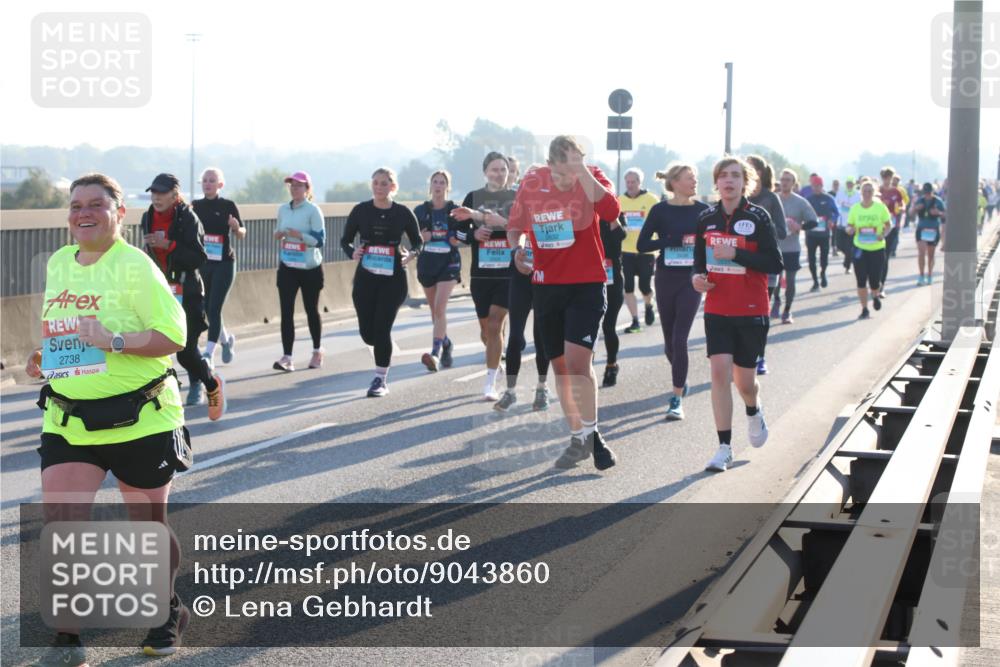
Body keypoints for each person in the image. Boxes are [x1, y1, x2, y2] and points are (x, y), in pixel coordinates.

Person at [27, 173, 191, 664]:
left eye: (96, 204)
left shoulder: (136, 267)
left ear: (119, 212)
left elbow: (173, 337)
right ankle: (68, 637)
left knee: (147, 527)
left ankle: (166, 610)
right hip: (69, 419)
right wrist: (45, 357)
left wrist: (115, 341)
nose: (83, 213)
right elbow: (67, 333)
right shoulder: (59, 262)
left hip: (140, 419)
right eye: (76, 205)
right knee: (62, 521)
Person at [508, 135, 620, 471]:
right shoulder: (531, 182)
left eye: (576, 164)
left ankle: (593, 434)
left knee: (577, 362)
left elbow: (612, 211)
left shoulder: (594, 176)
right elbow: (515, 227)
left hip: (586, 284)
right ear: (550, 164)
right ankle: (579, 437)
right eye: (563, 168)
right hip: (546, 286)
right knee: (560, 368)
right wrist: (518, 251)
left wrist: (582, 172)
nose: (568, 176)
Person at [692, 157, 782, 473]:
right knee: (719, 374)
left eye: (735, 176)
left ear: (746, 182)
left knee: (744, 382)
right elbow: (698, 263)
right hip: (717, 308)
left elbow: (775, 263)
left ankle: (753, 410)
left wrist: (737, 254)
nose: (728, 181)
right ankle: (724, 448)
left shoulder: (758, 217)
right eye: (723, 176)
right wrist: (697, 279)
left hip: (752, 309)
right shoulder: (705, 219)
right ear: (716, 182)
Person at [141, 173, 226, 419]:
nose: (156, 197)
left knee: (186, 351)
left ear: (175, 196)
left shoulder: (188, 218)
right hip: (160, 290)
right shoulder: (148, 216)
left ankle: (212, 385)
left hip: (186, 290)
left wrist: (169, 245)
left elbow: (199, 257)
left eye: (162, 193)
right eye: (153, 192)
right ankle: (166, 395)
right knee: (153, 346)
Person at [637, 163, 709, 420]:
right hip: (666, 278)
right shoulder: (660, 210)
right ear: (675, 182)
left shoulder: (704, 211)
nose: (695, 182)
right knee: (669, 345)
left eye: (695, 178)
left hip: (692, 279)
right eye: (690, 178)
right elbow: (642, 243)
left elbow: (712, 243)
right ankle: (681, 376)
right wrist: (669, 241)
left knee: (680, 340)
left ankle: (676, 398)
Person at [342, 167, 422, 397]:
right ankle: (383, 345)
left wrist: (412, 254)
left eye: (384, 183)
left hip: (394, 278)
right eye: (376, 183)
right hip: (366, 277)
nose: (379, 187)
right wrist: (352, 252)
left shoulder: (403, 213)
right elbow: (345, 240)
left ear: (393, 187)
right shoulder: (361, 211)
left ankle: (380, 379)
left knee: (381, 328)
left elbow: (418, 242)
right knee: (368, 334)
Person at [453, 152, 515, 401]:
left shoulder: (515, 198)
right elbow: (455, 232)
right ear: (485, 172)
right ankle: (496, 360)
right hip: (481, 273)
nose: (499, 174)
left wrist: (505, 223)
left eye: (503, 169)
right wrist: (472, 236)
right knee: (486, 332)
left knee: (494, 324)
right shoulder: (473, 198)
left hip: (508, 272)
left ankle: (490, 382)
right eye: (494, 169)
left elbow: (526, 227)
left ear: (508, 172)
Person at [272, 171, 326, 372]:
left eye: (299, 186)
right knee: (286, 312)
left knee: (311, 310)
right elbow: (279, 230)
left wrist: (300, 236)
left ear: (307, 189)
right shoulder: (283, 209)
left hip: (310, 267)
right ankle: (287, 357)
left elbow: (320, 240)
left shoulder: (313, 210)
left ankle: (317, 351)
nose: (295, 189)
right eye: (292, 185)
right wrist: (278, 235)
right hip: (288, 265)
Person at [191, 167, 244, 368]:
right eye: (205, 180)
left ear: (220, 185)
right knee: (207, 308)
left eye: (212, 180)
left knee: (214, 308)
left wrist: (236, 227)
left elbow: (242, 233)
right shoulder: (195, 206)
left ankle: (208, 353)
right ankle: (225, 340)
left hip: (224, 262)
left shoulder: (228, 205)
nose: (208, 184)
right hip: (204, 263)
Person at [414, 170, 460, 371]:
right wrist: (419, 238)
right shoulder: (420, 211)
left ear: (447, 187)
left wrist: (456, 238)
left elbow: (464, 234)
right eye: (435, 182)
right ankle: (447, 343)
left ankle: (435, 353)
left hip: (448, 263)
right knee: (434, 312)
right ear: (430, 185)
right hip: (427, 263)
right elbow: (411, 235)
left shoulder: (455, 210)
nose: (439, 185)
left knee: (440, 308)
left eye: (442, 182)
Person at [746, 155, 786, 376]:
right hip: (737, 266)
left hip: (764, 266)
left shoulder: (770, 198)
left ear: (759, 173)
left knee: (759, 314)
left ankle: (760, 356)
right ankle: (742, 356)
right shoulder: (735, 198)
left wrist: (759, 233)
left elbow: (782, 231)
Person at [774, 168, 818, 324]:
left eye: (788, 180)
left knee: (790, 280)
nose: (784, 183)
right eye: (782, 180)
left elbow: (814, 221)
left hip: (792, 248)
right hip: (775, 247)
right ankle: (777, 300)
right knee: (775, 280)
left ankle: (787, 310)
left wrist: (800, 227)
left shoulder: (800, 202)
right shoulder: (774, 199)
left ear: (793, 183)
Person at [618, 168, 660, 333]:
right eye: (627, 182)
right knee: (628, 287)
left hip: (646, 250)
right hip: (626, 249)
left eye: (633, 181)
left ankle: (649, 305)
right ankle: (635, 320)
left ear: (639, 182)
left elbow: (660, 221)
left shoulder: (651, 199)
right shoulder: (620, 200)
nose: (630, 185)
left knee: (644, 286)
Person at [847, 178, 892, 319]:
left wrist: (883, 235)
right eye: (864, 191)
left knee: (874, 280)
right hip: (860, 248)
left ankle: (875, 294)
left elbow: (889, 225)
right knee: (861, 280)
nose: (867, 193)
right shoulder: (855, 208)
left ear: (874, 192)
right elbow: (850, 225)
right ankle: (864, 309)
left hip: (877, 248)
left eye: (870, 191)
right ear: (860, 192)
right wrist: (849, 229)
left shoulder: (880, 208)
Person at [598, 212, 627, 387]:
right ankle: (586, 368)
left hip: (612, 279)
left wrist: (611, 215)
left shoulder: (614, 216)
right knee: (586, 327)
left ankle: (611, 364)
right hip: (587, 279)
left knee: (608, 326)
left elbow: (620, 236)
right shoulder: (582, 214)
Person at [805, 175, 840, 291]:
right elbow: (803, 213)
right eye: (814, 186)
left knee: (824, 258)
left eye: (818, 186)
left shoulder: (829, 198)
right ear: (812, 186)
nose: (816, 188)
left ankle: (823, 273)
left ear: (822, 186)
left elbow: (836, 213)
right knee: (811, 259)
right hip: (811, 234)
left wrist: (832, 220)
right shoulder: (808, 199)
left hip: (824, 234)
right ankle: (815, 281)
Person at [911, 182, 946, 284]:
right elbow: (911, 214)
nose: (927, 195)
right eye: (925, 193)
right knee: (921, 253)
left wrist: (938, 213)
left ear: (932, 192)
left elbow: (945, 215)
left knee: (931, 254)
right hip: (921, 229)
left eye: (929, 193)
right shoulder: (919, 200)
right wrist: (916, 209)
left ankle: (930, 275)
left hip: (933, 229)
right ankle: (921, 275)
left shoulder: (938, 201)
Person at [879, 167, 905, 294]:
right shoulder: (877, 191)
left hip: (891, 226)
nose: (886, 180)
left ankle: (881, 285)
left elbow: (902, 204)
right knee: (875, 256)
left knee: (885, 257)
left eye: (888, 177)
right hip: (877, 227)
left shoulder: (896, 192)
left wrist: (901, 208)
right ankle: (875, 281)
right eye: (884, 177)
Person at [835, 178, 861, 272]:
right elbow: (836, 204)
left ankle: (847, 266)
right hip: (841, 223)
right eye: (848, 183)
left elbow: (860, 207)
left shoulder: (858, 195)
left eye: (851, 183)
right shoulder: (841, 193)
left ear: (854, 184)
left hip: (852, 224)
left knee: (849, 246)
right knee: (839, 245)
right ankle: (849, 257)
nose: (850, 185)